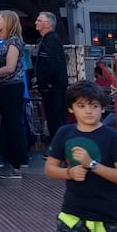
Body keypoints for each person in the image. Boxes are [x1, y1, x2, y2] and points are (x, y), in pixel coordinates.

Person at [44, 80, 117, 232]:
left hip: (110, 216)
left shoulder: (113, 137)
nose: (88, 111)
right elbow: (49, 168)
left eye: (94, 106)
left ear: (102, 108)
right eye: (81, 106)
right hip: (73, 214)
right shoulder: (64, 133)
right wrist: (69, 172)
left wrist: (92, 164)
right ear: (71, 108)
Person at [0, 9, 28, 180]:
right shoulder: (7, 41)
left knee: (12, 125)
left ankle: (16, 165)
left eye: (0, 18)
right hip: (6, 86)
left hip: (11, 86)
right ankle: (10, 161)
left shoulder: (13, 41)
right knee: (7, 124)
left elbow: (10, 67)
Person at [36, 11, 70, 140]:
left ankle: (58, 145)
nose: (36, 22)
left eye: (39, 20)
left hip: (53, 87)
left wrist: (46, 82)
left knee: (55, 118)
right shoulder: (47, 40)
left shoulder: (52, 40)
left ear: (48, 24)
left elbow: (53, 63)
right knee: (53, 118)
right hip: (51, 86)